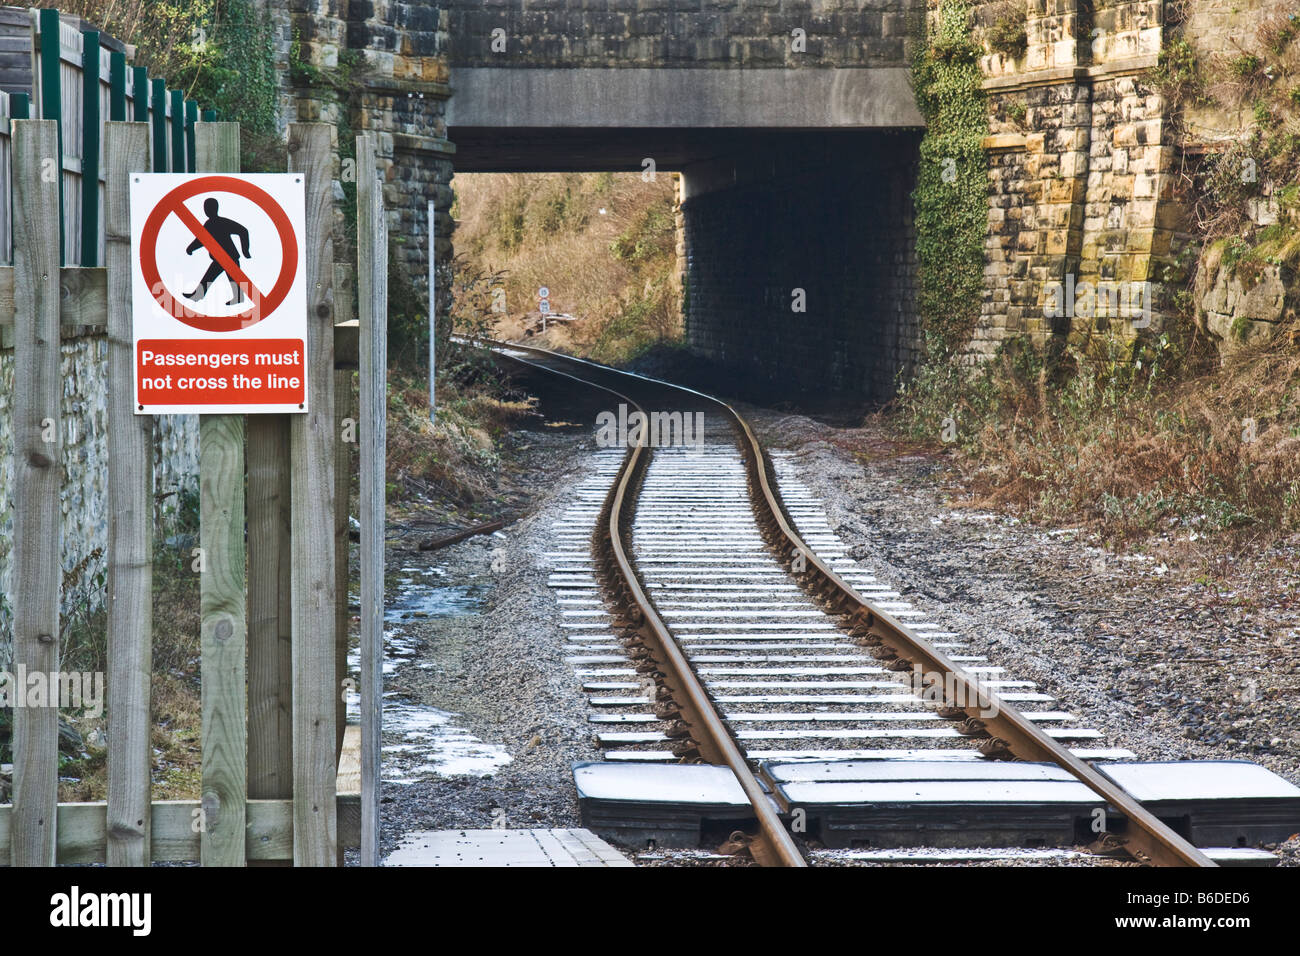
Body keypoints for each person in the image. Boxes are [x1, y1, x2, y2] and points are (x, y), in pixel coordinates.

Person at [184, 197, 252, 305]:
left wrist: (245, 251)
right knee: (215, 277)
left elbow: (243, 231)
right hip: (220, 258)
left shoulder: (220, 222)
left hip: (229, 257)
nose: (206, 210)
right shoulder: (209, 224)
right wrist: (191, 248)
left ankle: (200, 295)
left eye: (208, 208)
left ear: (215, 208)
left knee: (229, 277)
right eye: (205, 208)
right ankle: (199, 295)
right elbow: (201, 239)